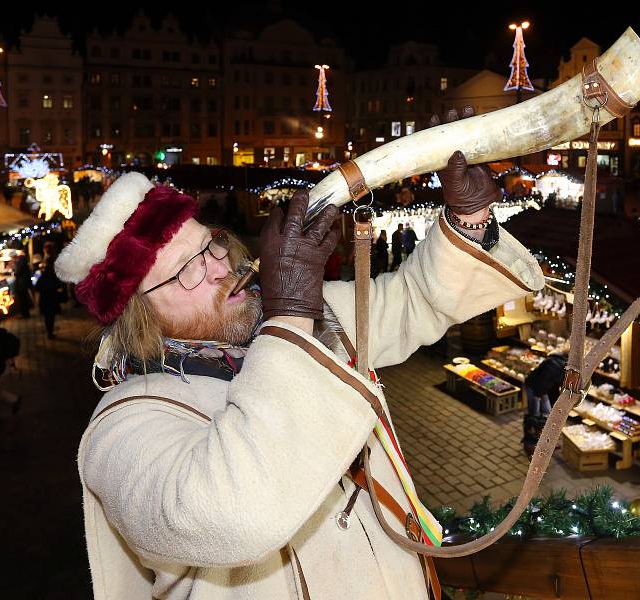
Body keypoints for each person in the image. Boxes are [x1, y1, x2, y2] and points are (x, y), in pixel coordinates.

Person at [55, 110, 543, 599]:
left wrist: (471, 220)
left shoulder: (295, 318)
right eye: (187, 270)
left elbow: (414, 299)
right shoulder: (122, 429)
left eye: (212, 246)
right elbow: (238, 513)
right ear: (141, 316)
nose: (220, 268)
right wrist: (290, 315)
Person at [522, 346, 568, 456]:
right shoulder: (556, 365)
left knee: (547, 416)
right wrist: (538, 396)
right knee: (534, 416)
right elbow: (544, 381)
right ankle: (530, 444)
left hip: (543, 389)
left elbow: (556, 384)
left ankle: (546, 442)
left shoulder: (561, 364)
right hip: (535, 388)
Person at [34, 258, 65, 339]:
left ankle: (49, 332)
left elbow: (37, 287)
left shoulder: (42, 276)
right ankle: (50, 332)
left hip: (44, 299)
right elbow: (58, 285)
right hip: (52, 299)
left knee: (47, 317)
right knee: (51, 316)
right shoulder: (53, 275)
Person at [13, 254, 33, 319]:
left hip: (21, 285)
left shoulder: (20, 265)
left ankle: (24, 314)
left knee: (22, 300)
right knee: (24, 300)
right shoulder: (26, 265)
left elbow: (17, 273)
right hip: (24, 285)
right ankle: (25, 313)